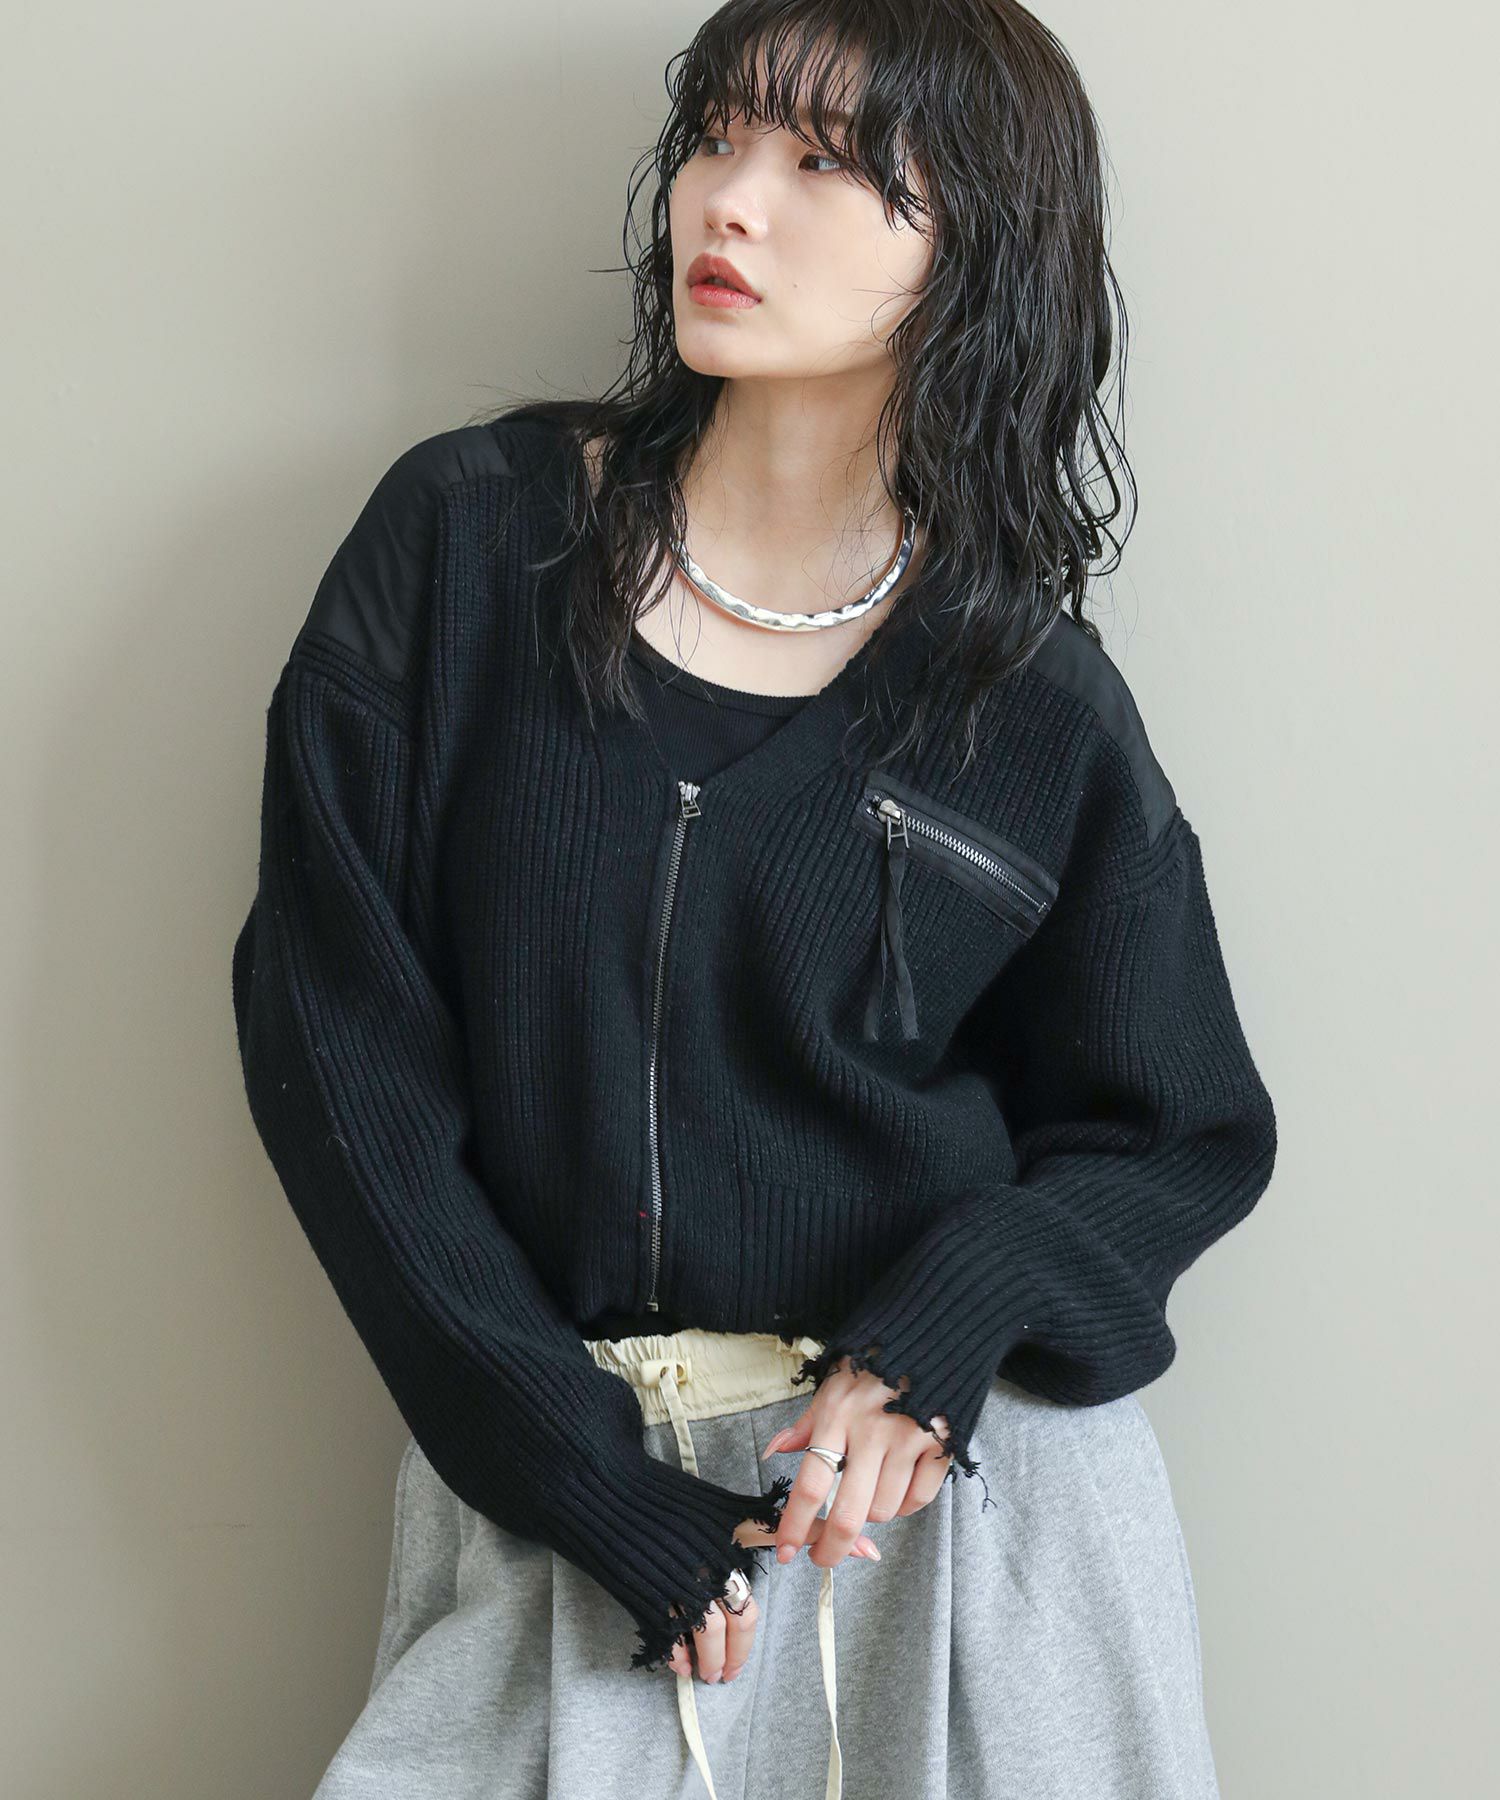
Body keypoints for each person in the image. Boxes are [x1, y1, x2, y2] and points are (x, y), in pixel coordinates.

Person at [230, 3, 1277, 1796]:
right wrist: (577, 1475)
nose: (729, 201)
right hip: (568, 1510)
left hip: (946, 1525)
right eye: (718, 135)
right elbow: (336, 1049)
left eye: (825, 166)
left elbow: (1180, 1129)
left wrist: (943, 1333)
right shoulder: (470, 546)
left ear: (972, 251)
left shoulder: (1029, 703)